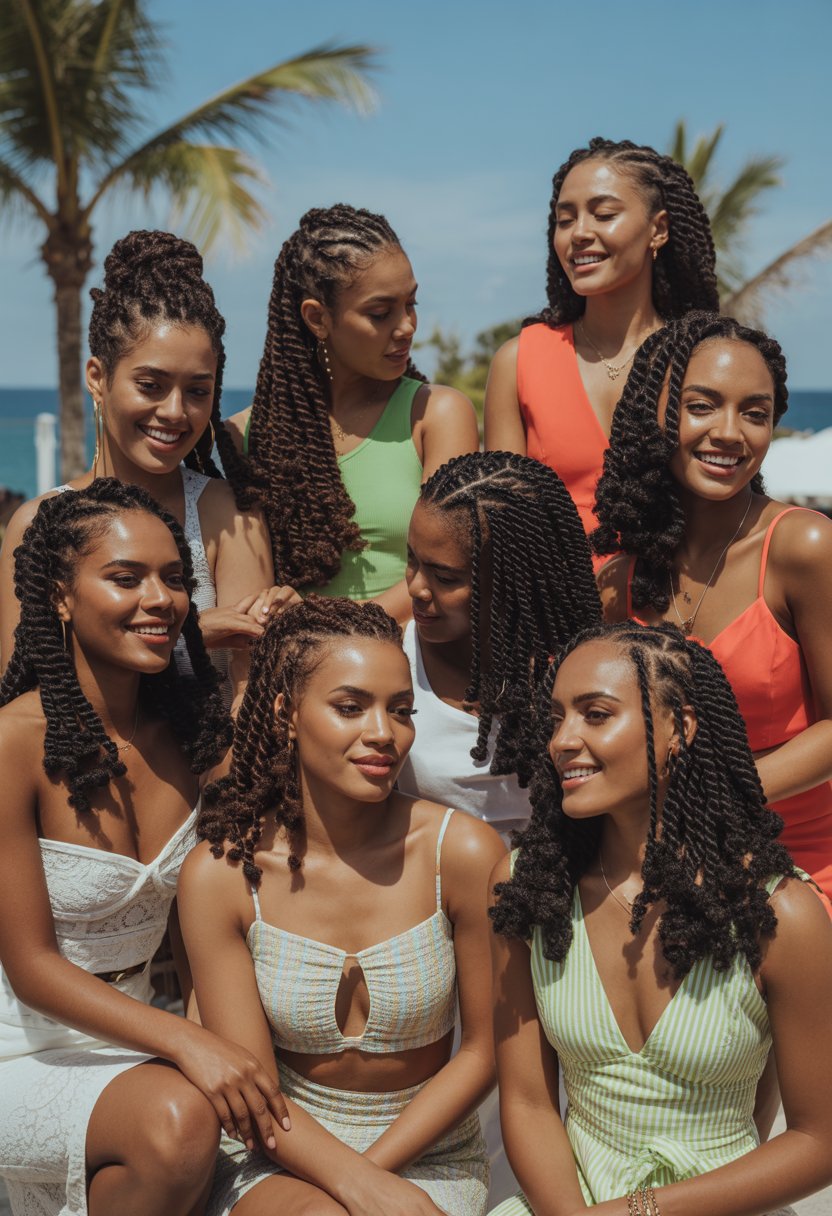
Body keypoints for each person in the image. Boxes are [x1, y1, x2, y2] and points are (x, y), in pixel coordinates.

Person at [0, 481, 290, 1216]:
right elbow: (31, 967)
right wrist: (191, 1046)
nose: (160, 599)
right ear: (61, 596)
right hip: (22, 1042)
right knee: (180, 1122)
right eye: (126, 578)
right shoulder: (11, 744)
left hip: (141, 1032)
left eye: (174, 578)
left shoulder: (192, 743)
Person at [489, 621, 832, 1216]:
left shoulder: (780, 911)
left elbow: (818, 1140)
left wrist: (638, 1212)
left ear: (681, 727)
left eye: (595, 714)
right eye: (557, 717)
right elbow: (528, 1102)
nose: (563, 739)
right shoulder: (530, 888)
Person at [179, 596, 505, 1216]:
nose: (383, 732)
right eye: (350, 707)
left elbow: (484, 1051)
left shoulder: (459, 851)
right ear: (286, 714)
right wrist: (353, 1186)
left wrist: (369, 1177)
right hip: (277, 1148)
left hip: (430, 1153)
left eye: (402, 710)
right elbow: (253, 1090)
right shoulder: (220, 875)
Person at [0, 229, 296, 704]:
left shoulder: (228, 517)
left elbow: (249, 692)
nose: (176, 412)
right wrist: (191, 634)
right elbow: (26, 695)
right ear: (98, 378)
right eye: (151, 385)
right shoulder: (36, 525)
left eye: (197, 391)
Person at [594, 312, 832, 902]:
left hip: (805, 870)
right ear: (655, 413)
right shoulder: (620, 581)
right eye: (701, 406)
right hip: (670, 873)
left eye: (755, 413)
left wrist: (717, 788)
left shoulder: (803, 546)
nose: (730, 432)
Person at [219, 204, 479, 620]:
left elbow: (448, 570)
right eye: (380, 313)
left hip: (414, 664)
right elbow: (248, 595)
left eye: (411, 304)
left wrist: (331, 626)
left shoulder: (436, 414)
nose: (407, 326)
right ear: (317, 318)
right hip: (297, 666)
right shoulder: (244, 435)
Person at [484, 137, 718, 545]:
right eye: (565, 219)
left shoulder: (701, 357)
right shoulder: (520, 359)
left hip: (675, 602)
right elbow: (504, 526)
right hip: (555, 604)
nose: (579, 234)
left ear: (658, 229)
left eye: (603, 214)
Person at [398, 450, 603, 840]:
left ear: (513, 584)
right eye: (412, 560)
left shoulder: (577, 672)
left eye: (444, 576)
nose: (415, 587)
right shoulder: (393, 663)